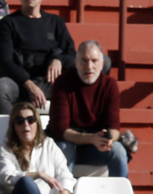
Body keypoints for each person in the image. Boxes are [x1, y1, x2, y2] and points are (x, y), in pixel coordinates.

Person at [0, 102, 88, 194]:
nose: (26, 125)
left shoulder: (48, 144)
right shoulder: (5, 149)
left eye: (30, 120)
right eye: (19, 121)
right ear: (13, 126)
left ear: (37, 123)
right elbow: (6, 177)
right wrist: (38, 175)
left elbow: (65, 175)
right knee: (25, 182)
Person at [47, 40, 129, 177]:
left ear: (102, 64)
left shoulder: (110, 85)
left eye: (94, 61)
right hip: (67, 142)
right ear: (76, 62)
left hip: (95, 147)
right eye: (84, 61)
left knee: (119, 151)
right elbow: (61, 130)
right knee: (63, 149)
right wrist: (91, 138)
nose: (89, 66)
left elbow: (114, 128)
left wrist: (109, 138)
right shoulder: (62, 84)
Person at [0, 0, 76, 115]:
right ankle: (6, 131)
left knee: (86, 77)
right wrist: (29, 85)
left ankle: (78, 130)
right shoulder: (8, 23)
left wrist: (59, 60)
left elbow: (72, 55)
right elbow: (5, 61)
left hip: (49, 83)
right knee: (1, 88)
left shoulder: (56, 22)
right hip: (19, 83)